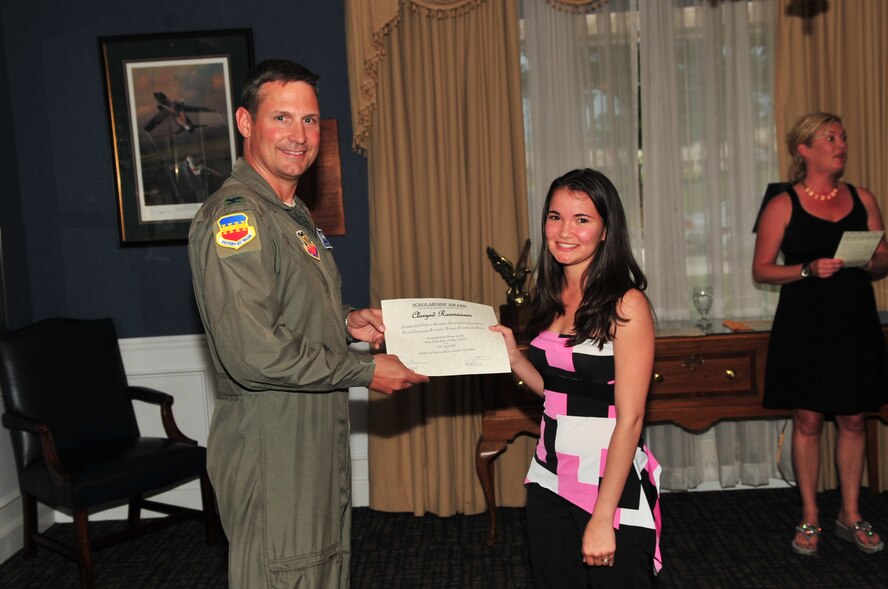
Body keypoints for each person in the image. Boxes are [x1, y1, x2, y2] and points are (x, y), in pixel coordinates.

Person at [188, 59, 428, 588]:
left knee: (320, 569)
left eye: (311, 120)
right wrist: (367, 372)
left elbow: (282, 313)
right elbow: (254, 354)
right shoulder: (237, 217)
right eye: (283, 118)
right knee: (287, 575)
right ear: (246, 123)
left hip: (312, 429)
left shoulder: (290, 215)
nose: (300, 136)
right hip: (273, 443)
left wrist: (346, 322)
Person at [491, 169, 662, 587]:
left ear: (605, 231)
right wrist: (515, 357)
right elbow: (558, 396)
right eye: (555, 216)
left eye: (582, 219)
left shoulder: (628, 304)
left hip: (610, 486)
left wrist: (603, 517)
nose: (565, 231)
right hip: (549, 476)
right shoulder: (549, 298)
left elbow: (631, 419)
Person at [752, 112, 888, 556]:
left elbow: (884, 257)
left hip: (854, 318)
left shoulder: (862, 197)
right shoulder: (782, 202)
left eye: (843, 137)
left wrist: (873, 261)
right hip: (805, 320)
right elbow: (762, 268)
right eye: (830, 137)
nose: (841, 143)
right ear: (804, 149)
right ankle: (810, 515)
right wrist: (807, 268)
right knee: (807, 420)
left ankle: (850, 514)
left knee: (853, 417)